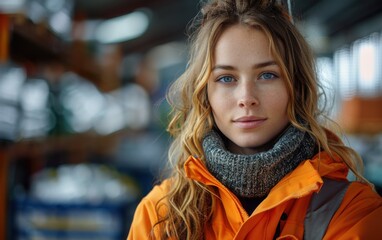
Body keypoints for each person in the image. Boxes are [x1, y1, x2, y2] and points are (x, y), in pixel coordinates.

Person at [127, 0, 382, 239]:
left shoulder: (351, 210)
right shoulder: (160, 214)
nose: (246, 98)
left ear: (297, 87)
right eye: (226, 78)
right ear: (205, 94)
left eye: (267, 75)